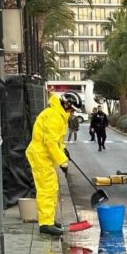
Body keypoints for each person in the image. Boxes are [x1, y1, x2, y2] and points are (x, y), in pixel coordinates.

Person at [25, 91, 77, 236]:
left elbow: (57, 141)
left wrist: (63, 150)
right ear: (66, 105)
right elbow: (50, 142)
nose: (72, 113)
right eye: (72, 109)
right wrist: (62, 161)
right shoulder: (54, 116)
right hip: (40, 155)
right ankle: (45, 224)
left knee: (52, 188)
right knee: (46, 189)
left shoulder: (60, 115)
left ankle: (49, 220)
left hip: (45, 156)